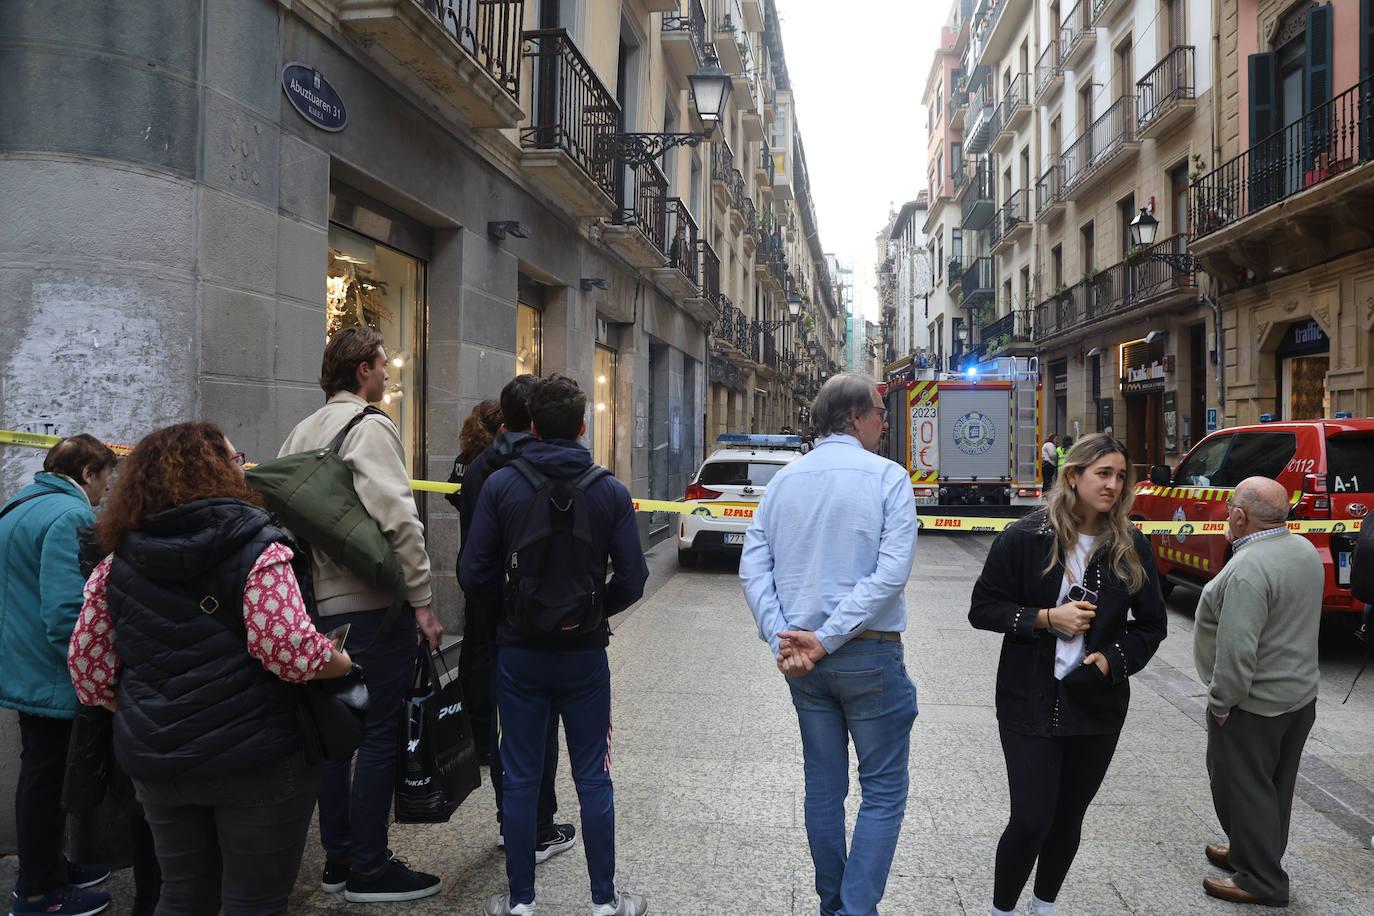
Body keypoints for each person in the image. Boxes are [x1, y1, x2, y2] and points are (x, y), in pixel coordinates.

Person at [67, 422, 355, 915]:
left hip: (160, 762)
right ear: (218, 471)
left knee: (181, 894)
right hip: (257, 761)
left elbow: (88, 667)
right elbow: (288, 648)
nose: (243, 465)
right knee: (253, 901)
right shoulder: (260, 548)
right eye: (235, 458)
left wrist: (143, 705)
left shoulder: (115, 562)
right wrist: (341, 661)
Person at [461, 374, 650, 916]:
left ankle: (520, 901)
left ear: (534, 427)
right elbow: (633, 579)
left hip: (518, 655)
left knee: (520, 774)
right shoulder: (609, 490)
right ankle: (605, 902)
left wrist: (513, 615)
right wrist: (591, 615)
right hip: (585, 658)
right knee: (594, 773)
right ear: (583, 426)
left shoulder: (501, 486)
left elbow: (472, 573)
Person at [740, 373, 919, 916]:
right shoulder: (888, 478)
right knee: (883, 790)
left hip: (805, 666)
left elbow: (754, 567)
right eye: (880, 413)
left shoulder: (785, 482)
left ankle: (831, 904)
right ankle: (853, 911)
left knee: (823, 787)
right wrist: (825, 639)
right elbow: (891, 574)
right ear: (855, 417)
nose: (886, 423)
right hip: (867, 655)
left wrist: (789, 638)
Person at [278, 326, 444, 903]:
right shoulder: (370, 427)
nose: (389, 372)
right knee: (378, 734)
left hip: (320, 606)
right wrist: (423, 600)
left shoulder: (302, 430)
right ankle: (370, 869)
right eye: (382, 363)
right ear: (361, 371)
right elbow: (399, 517)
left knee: (336, 736)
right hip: (373, 605)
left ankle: (338, 860)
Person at [969, 433, 1167, 916]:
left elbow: (1151, 625)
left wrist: (1110, 660)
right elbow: (983, 608)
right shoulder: (1025, 537)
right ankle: (1002, 910)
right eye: (1104, 474)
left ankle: (1045, 905)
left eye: (1121, 476)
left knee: (1068, 818)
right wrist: (1045, 619)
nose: (1114, 485)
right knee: (1032, 819)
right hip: (1028, 700)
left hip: (1095, 704)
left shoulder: (1131, 544)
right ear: (1073, 476)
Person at [455, 376, 574, 861]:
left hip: (489, 616)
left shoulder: (480, 467)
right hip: (534, 619)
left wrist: (492, 603)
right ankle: (538, 825)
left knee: (508, 724)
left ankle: (512, 821)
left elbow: (472, 559)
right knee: (540, 726)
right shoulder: (538, 471)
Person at [1, 435, 117, 916]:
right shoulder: (70, 515)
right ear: (87, 472)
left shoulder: (16, 508)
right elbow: (68, 610)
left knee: (40, 775)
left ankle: (46, 867)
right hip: (50, 673)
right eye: (106, 477)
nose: (107, 490)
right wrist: (97, 675)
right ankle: (38, 892)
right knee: (46, 781)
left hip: (22, 667)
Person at [1194, 476, 1323, 907]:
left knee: (1242, 786)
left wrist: (1221, 701)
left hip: (1253, 703)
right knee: (1274, 787)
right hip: (1299, 696)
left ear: (1239, 515)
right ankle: (1250, 852)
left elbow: (1236, 649)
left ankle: (1262, 879)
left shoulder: (1249, 567)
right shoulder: (1302, 549)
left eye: (1231, 506)